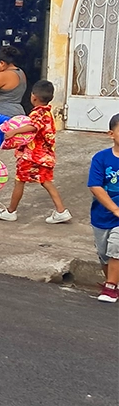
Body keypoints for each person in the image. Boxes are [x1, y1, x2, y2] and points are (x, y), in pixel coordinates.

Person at [0, 80, 71, 224]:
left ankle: (10, 211)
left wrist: (14, 131)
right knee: (46, 181)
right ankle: (61, 211)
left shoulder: (37, 113)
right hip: (45, 156)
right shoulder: (47, 112)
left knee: (19, 181)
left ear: (33, 97)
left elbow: (34, 126)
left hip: (31, 156)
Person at [87, 114, 119, 303]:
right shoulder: (101, 158)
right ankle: (112, 282)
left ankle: (111, 287)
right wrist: (114, 209)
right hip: (102, 215)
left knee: (116, 246)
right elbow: (95, 186)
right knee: (104, 254)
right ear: (111, 134)